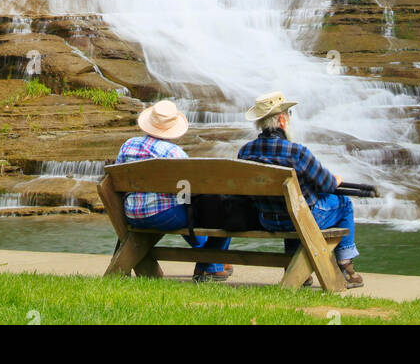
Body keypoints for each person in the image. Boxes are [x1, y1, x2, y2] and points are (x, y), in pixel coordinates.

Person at [237, 90, 363, 287]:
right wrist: (336, 180)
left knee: (293, 206)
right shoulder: (296, 152)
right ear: (281, 120)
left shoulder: (245, 151)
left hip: (267, 219)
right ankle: (346, 265)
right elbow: (327, 184)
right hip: (297, 219)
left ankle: (296, 269)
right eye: (289, 115)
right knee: (343, 203)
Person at [115, 99, 232, 283]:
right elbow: (187, 190)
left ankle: (213, 260)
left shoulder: (128, 145)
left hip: (131, 214)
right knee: (216, 212)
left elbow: (118, 179)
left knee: (186, 210)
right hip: (164, 216)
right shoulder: (174, 153)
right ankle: (211, 265)